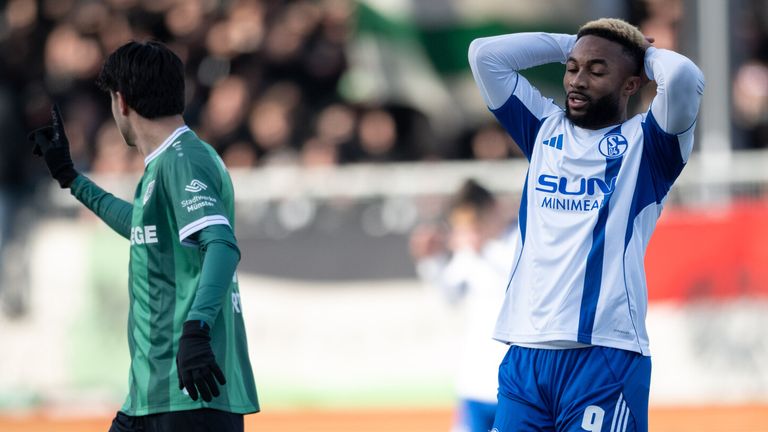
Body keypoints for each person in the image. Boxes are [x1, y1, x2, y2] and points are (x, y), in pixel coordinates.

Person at [468, 18, 704, 431]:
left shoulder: (650, 147)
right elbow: (484, 56)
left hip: (604, 355)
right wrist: (575, 44)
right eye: (572, 67)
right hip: (525, 354)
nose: (577, 80)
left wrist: (640, 53)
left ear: (632, 84)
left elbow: (683, 76)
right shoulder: (542, 129)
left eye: (597, 71)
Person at [29, 41, 259, 432]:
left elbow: (221, 245)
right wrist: (72, 179)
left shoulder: (184, 159)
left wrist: (196, 328)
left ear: (121, 102)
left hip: (190, 395)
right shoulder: (171, 161)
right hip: (152, 395)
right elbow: (141, 226)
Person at [410, 179, 513, 432]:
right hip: (474, 380)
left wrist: (484, 249)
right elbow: (450, 296)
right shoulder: (469, 252)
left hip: (513, 383)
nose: (473, 230)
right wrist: (430, 259)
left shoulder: (521, 241)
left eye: (476, 221)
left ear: (493, 209)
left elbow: (518, 282)